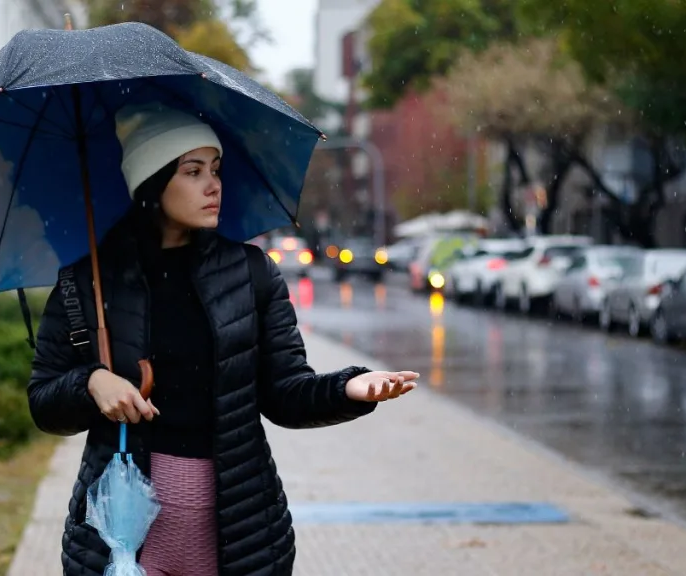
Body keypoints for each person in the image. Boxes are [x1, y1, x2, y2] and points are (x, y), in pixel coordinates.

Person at [27, 104, 419, 576]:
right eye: (192, 172)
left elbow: (285, 394)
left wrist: (349, 389)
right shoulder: (87, 282)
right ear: (151, 183)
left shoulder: (252, 275)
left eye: (215, 169)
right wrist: (91, 382)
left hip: (239, 531)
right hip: (122, 535)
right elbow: (44, 404)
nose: (213, 185)